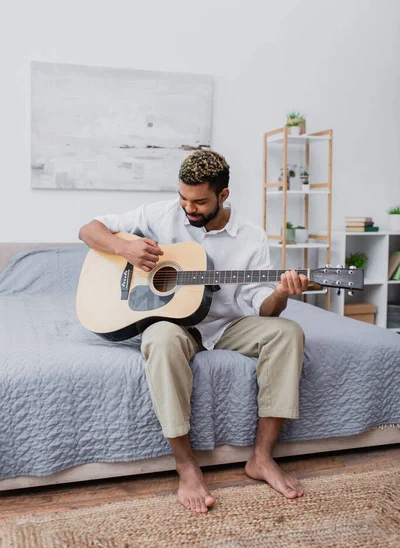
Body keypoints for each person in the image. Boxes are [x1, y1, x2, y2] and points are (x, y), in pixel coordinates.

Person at [79, 150, 308, 514]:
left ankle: (261, 457)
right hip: (177, 325)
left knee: (288, 331)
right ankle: (185, 463)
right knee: (158, 338)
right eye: (184, 198)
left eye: (200, 201)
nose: (189, 208)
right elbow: (88, 230)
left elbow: (261, 304)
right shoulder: (159, 215)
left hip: (227, 325)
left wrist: (280, 292)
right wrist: (126, 248)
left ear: (223, 195)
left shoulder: (250, 236)